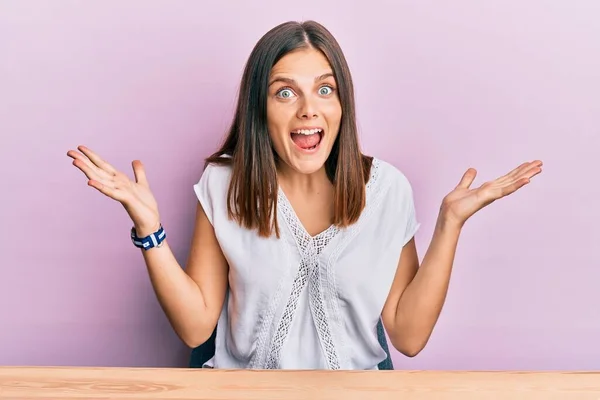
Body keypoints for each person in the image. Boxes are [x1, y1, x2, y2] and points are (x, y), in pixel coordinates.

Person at [66, 20, 542, 370]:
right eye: (285, 93)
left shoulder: (388, 190)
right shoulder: (223, 184)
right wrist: (150, 231)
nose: (308, 110)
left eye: (324, 89)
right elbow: (196, 328)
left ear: (342, 103)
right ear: (261, 109)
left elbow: (409, 335)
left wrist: (449, 226)